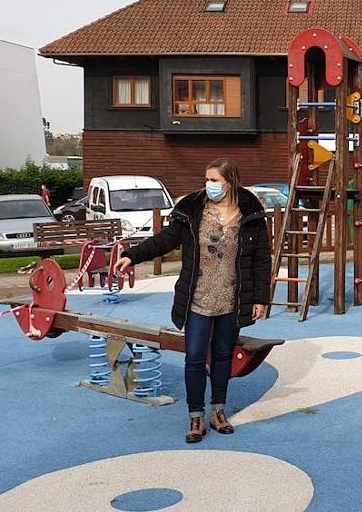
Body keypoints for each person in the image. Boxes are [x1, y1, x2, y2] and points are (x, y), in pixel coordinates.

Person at [114, 158, 271, 443]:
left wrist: (260, 298)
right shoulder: (192, 210)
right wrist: (132, 255)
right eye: (206, 180)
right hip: (198, 298)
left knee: (223, 356)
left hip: (232, 298)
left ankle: (218, 411)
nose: (208, 185)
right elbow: (164, 239)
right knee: (196, 357)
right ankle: (196, 416)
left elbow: (262, 260)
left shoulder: (251, 214)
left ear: (230, 182)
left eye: (214, 180)